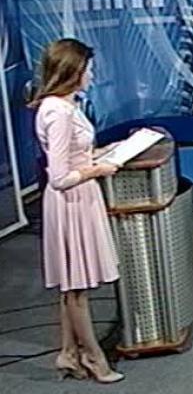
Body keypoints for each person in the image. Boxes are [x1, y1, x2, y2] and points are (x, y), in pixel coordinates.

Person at [32, 38, 124, 383]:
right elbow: (59, 177)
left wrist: (103, 153)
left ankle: (68, 353)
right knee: (77, 288)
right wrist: (97, 169)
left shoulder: (66, 106)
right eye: (88, 69)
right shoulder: (57, 111)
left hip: (81, 197)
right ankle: (93, 357)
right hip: (70, 202)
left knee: (73, 285)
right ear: (72, 71)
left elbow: (74, 155)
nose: (92, 76)